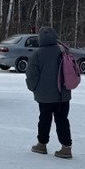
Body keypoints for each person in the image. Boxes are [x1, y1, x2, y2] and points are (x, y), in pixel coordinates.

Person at [25, 26, 73, 158]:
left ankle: (42, 144)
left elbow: (32, 75)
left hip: (45, 95)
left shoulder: (37, 54)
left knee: (44, 120)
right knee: (62, 120)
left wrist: (33, 88)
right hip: (63, 94)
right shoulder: (63, 50)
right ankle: (66, 147)